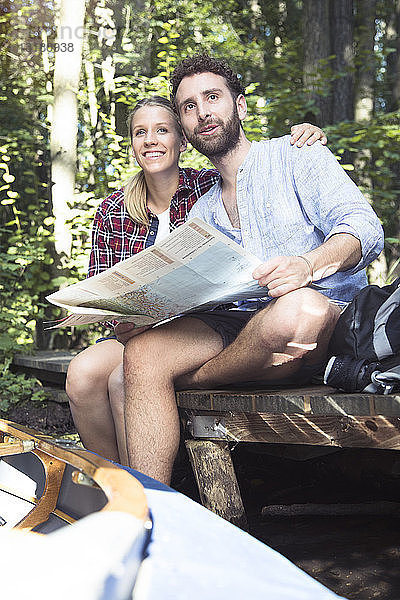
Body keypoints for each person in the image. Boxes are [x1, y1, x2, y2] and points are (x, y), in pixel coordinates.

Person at [121, 55, 384, 484]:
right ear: (185, 129)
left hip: (322, 323)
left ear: (239, 107)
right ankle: (148, 510)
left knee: (299, 310)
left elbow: (364, 230)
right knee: (143, 352)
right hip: (241, 322)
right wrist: (143, 315)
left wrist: (308, 264)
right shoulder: (202, 211)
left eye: (212, 97)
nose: (202, 111)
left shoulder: (296, 155)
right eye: (188, 106)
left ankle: (194, 381)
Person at [66, 93, 326, 465]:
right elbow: (103, 287)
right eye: (141, 133)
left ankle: (146, 487)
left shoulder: (209, 187)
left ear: (182, 140)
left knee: (121, 378)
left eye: (162, 130)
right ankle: (114, 483)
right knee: (81, 374)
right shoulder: (113, 208)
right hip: (138, 331)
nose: (151, 140)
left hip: (200, 326)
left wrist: (304, 136)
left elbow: (253, 165)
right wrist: (121, 319)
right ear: (132, 145)